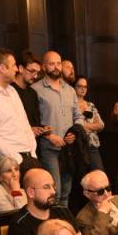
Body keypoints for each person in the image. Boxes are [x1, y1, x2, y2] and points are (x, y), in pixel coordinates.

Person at [34, 51, 80, 206]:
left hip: (69, 149)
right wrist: (49, 135)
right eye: (51, 63)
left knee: (66, 191)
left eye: (58, 63)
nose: (56, 67)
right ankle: (53, 221)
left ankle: (63, 220)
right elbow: (33, 121)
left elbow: (78, 116)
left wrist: (75, 133)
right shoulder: (36, 89)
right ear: (44, 66)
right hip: (49, 148)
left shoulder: (70, 90)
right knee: (55, 192)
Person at [0, 48, 37, 165]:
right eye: (13, 65)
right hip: (9, 160)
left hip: (28, 155)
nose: (16, 69)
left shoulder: (12, 91)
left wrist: (33, 152)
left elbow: (24, 123)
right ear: (2, 68)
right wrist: (17, 158)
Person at [8, 168, 81, 235]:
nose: (53, 192)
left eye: (53, 186)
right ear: (31, 192)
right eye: (46, 187)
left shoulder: (63, 211)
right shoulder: (19, 224)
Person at [73, 169, 118, 235]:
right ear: (87, 194)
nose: (106, 194)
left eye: (108, 188)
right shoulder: (83, 218)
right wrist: (103, 213)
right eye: (100, 191)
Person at [72, 74, 104, 171]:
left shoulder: (90, 105)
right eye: (80, 86)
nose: (83, 89)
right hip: (76, 146)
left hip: (92, 145)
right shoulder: (70, 104)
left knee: (99, 173)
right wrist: (92, 126)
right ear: (74, 87)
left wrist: (82, 126)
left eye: (85, 87)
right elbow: (72, 126)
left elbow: (101, 125)